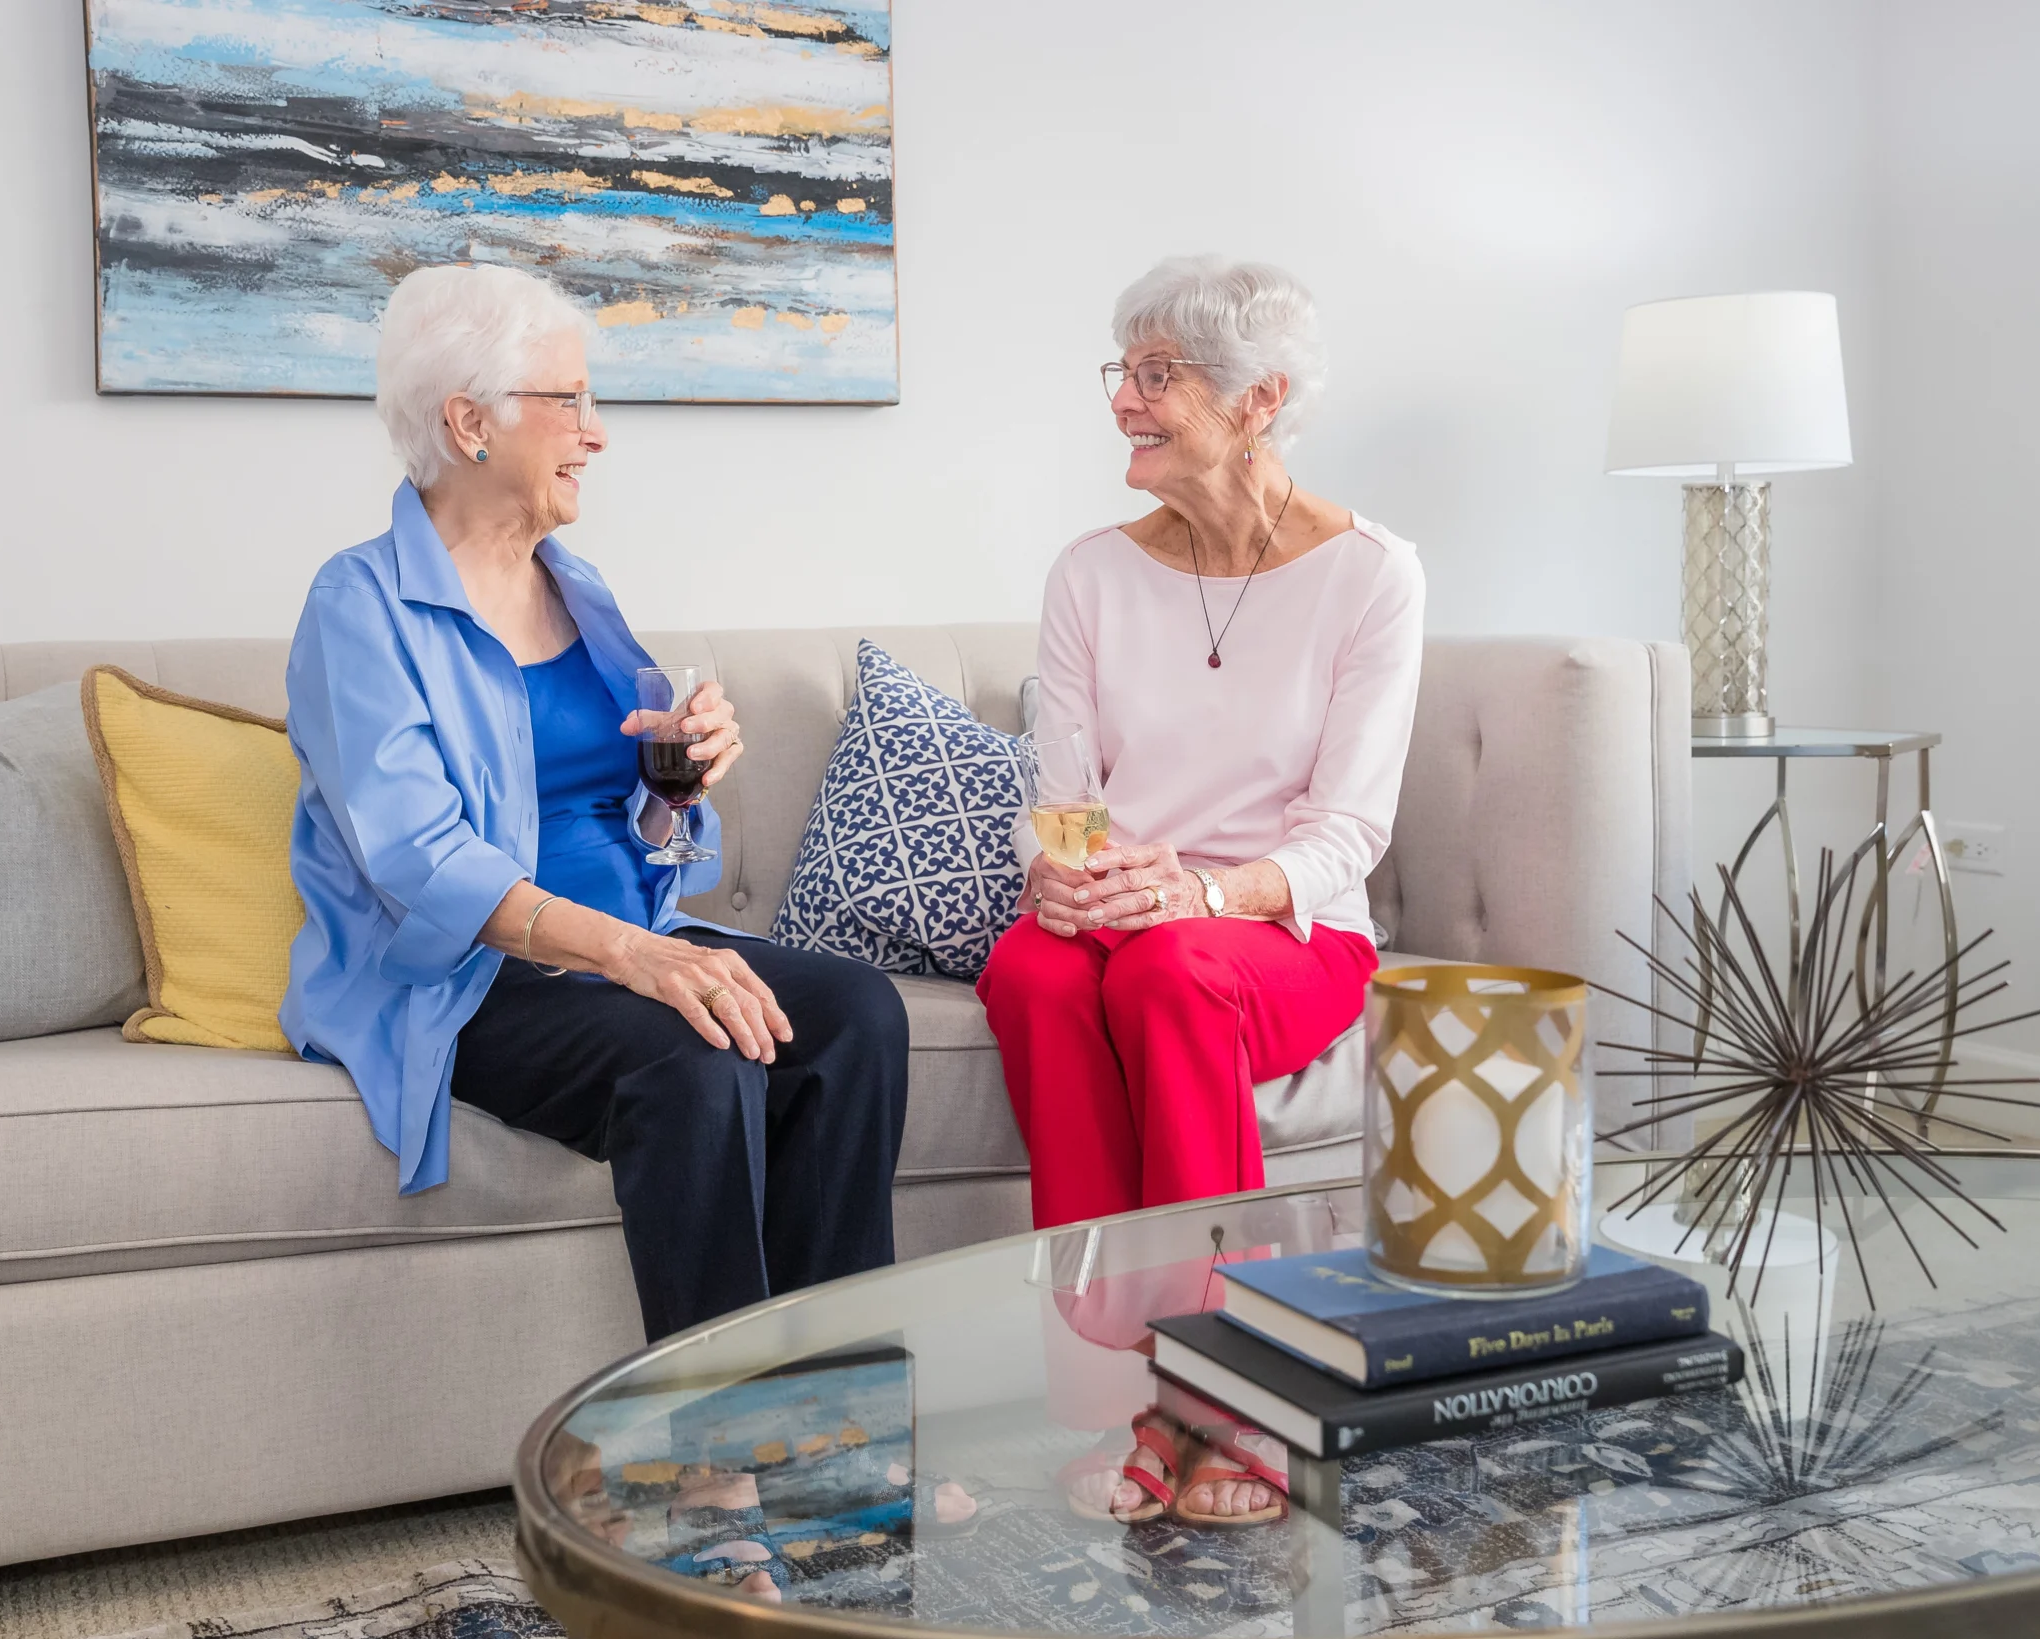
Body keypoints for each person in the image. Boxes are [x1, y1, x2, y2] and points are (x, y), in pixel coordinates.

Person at [281, 263, 909, 1344]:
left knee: (858, 1016)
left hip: (632, 940)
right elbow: (420, 862)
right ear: (469, 422)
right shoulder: (360, 605)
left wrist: (678, 774)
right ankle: (716, 1463)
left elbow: (654, 834)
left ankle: (837, 1412)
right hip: (477, 981)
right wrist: (628, 957)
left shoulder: (578, 586)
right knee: (693, 1051)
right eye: (567, 400)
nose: (597, 431)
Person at [978, 257, 1424, 1523]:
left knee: (1174, 971)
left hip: (1280, 931)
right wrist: (1057, 876)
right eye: (1121, 369)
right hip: (1121, 914)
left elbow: (1350, 832)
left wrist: (1209, 898)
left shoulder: (1371, 574)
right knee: (1025, 968)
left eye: (1157, 374)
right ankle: (1127, 1377)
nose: (1125, 396)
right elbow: (1063, 793)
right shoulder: (1090, 573)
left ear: (1258, 399)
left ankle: (1225, 1397)